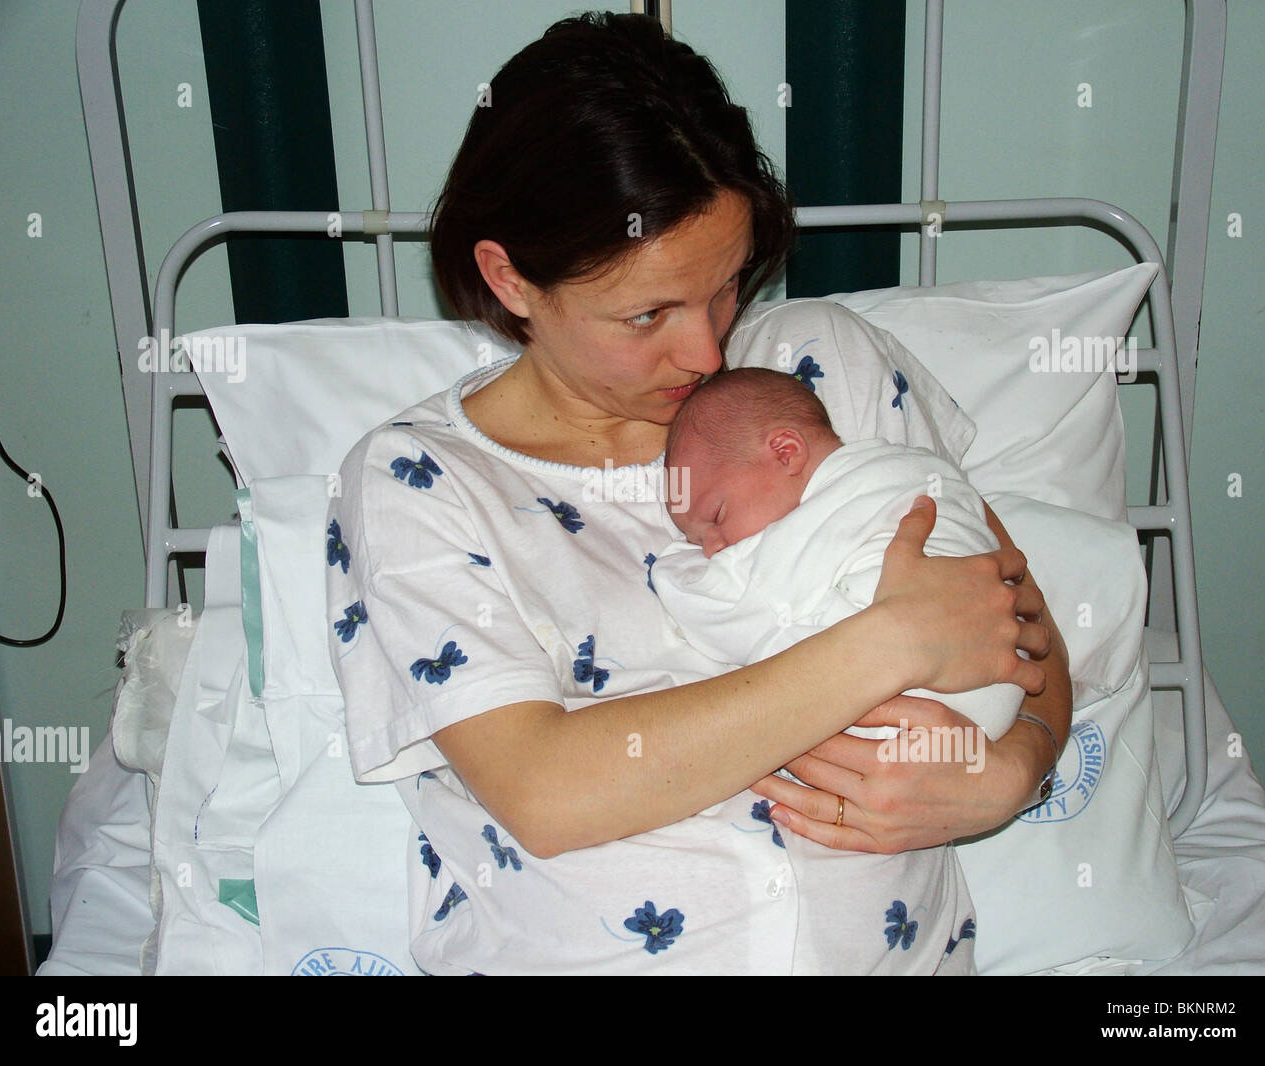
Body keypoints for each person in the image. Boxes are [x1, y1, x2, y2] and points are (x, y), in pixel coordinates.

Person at [326, 11, 1069, 974]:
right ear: (510, 279)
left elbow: (1030, 636)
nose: (708, 352)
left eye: (726, 286)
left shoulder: (821, 373)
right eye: (648, 314)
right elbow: (545, 793)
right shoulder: (422, 484)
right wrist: (890, 642)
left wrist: (1008, 773)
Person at [653, 365, 1024, 742]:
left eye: (716, 516)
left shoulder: (813, 523)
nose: (714, 550)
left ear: (786, 452)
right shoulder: (919, 468)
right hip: (1003, 679)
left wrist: (671, 569)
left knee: (772, 671)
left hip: (912, 700)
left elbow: (730, 612)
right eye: (697, 544)